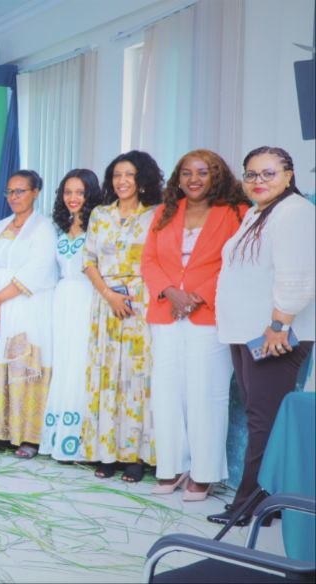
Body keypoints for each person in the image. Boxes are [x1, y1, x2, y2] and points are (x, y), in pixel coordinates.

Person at [210, 146, 315, 526]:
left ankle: (251, 505)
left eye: (269, 173)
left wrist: (279, 324)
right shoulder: (259, 212)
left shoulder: (295, 212)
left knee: (263, 420)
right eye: (251, 174)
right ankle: (266, 503)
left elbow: (298, 275)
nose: (259, 181)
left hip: (274, 334)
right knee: (260, 415)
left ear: (288, 175)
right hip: (247, 332)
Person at [141, 149, 249, 500]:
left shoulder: (236, 212)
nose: (194, 179)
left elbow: (237, 262)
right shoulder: (165, 211)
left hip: (210, 315)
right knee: (166, 391)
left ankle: (204, 473)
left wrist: (197, 295)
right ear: (178, 178)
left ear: (217, 175)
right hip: (167, 313)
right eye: (187, 173)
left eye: (203, 172)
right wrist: (171, 292)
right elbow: (149, 260)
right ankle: (172, 466)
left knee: (206, 393)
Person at [81, 150, 163, 483]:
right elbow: (88, 260)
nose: (122, 181)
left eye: (129, 174)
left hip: (142, 302)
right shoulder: (100, 214)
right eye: (117, 175)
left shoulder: (156, 214)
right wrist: (109, 294)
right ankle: (106, 451)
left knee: (137, 376)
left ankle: (136, 455)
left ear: (142, 180)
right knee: (106, 376)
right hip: (106, 302)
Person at [0, 170, 58, 458]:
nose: (13, 197)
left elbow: (37, 269)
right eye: (9, 191)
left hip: (25, 306)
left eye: (20, 191)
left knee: (23, 362)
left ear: (35, 193)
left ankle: (29, 436)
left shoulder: (44, 229)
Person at [38, 169, 103, 461]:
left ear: (90, 194)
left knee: (82, 362)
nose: (72, 198)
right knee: (64, 362)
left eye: (79, 192)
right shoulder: (59, 227)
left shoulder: (99, 226)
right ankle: (59, 437)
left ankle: (82, 441)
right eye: (68, 192)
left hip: (87, 298)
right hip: (62, 299)